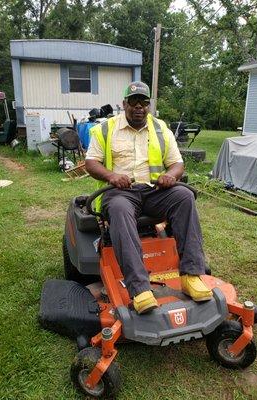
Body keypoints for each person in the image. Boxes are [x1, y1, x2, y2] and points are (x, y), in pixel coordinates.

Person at [85, 81, 212, 314]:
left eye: (144, 102)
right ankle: (140, 288)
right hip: (120, 192)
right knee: (120, 210)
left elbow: (177, 163)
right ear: (124, 104)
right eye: (133, 102)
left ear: (149, 105)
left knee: (184, 196)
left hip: (154, 191)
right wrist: (112, 176)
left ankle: (191, 275)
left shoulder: (161, 128)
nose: (139, 107)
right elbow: (91, 163)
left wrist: (171, 176)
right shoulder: (106, 128)